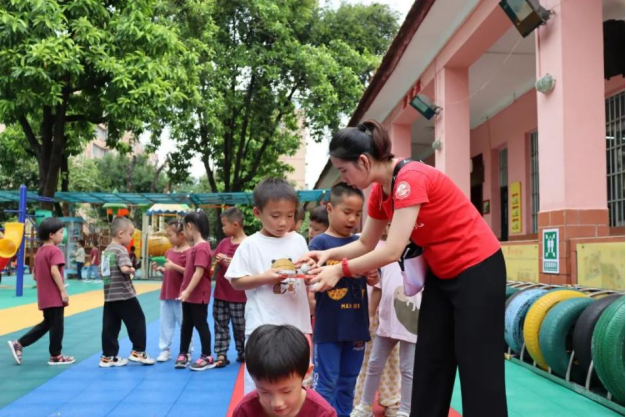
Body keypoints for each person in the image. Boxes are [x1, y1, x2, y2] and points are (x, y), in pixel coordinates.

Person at [303, 120, 507, 417]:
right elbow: (366, 243)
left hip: (478, 268)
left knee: (477, 363)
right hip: (441, 274)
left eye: (344, 170)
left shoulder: (410, 179)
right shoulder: (379, 192)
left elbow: (392, 250)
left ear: (364, 161)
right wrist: (326, 255)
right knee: (431, 360)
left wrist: (339, 270)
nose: (344, 179)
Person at [226, 178, 313, 395]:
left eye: (290, 215)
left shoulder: (298, 241)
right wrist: (265, 278)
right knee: (259, 384)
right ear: (257, 213)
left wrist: (310, 272)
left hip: (296, 325)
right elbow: (236, 281)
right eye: (275, 216)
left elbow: (304, 273)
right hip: (262, 326)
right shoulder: (250, 244)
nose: (283, 222)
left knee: (296, 384)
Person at [308, 183, 378, 417]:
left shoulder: (361, 242)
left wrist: (372, 274)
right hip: (329, 327)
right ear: (330, 209)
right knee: (325, 384)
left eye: (358, 214)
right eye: (347, 212)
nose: (353, 219)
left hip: (356, 326)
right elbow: (313, 279)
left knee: (348, 382)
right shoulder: (320, 244)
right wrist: (345, 270)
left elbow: (374, 276)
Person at [351, 233, 421, 417]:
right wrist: (370, 314)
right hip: (387, 319)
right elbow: (378, 287)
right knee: (374, 363)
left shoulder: (420, 252)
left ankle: (405, 410)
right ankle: (365, 405)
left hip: (411, 323)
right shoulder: (385, 252)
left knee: (407, 368)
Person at [7, 218, 75, 366]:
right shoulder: (55, 251)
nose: (62, 235)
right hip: (55, 297)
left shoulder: (40, 252)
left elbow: (35, 276)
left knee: (48, 324)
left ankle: (19, 344)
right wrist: (62, 291)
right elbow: (54, 271)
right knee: (57, 326)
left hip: (44, 297)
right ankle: (55, 355)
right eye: (61, 232)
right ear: (51, 235)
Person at [233, 324, 337, 417]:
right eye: (264, 392)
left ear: (307, 372)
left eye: (286, 391)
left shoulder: (322, 414)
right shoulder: (245, 411)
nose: (277, 403)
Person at [99, 217, 155, 368]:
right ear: (121, 234)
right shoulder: (121, 250)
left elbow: (102, 273)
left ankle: (108, 356)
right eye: (130, 234)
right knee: (138, 320)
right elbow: (124, 268)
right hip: (124, 294)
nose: (131, 238)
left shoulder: (106, 251)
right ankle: (138, 351)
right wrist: (132, 269)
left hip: (110, 295)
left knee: (110, 327)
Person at [175, 210, 215, 371]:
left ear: (190, 227)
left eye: (184, 229)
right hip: (189, 295)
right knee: (186, 325)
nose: (184, 233)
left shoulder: (202, 248)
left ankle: (207, 355)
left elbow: (199, 272)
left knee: (200, 324)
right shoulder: (195, 247)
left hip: (198, 295)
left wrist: (187, 291)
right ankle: (183, 353)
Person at [212, 207, 248, 367]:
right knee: (220, 324)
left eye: (224, 225)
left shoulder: (249, 244)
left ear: (235, 224)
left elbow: (252, 268)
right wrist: (218, 262)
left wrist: (232, 262)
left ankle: (244, 352)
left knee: (241, 326)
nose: (222, 228)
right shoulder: (223, 243)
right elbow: (215, 265)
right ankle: (221, 354)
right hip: (221, 292)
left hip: (239, 294)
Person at [153, 219, 190, 362]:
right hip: (167, 294)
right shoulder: (169, 252)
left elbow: (191, 273)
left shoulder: (189, 252)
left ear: (181, 235)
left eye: (170, 235)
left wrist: (174, 267)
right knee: (165, 324)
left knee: (185, 324)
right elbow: (169, 272)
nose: (168, 238)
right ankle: (165, 350)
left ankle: (186, 351)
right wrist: (161, 269)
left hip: (181, 296)